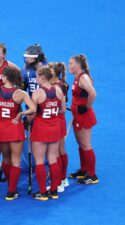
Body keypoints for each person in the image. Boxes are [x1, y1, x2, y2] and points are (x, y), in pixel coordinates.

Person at [0, 66, 36, 200]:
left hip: (2, 129)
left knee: (6, 159)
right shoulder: (21, 93)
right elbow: (33, 109)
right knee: (16, 161)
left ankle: (9, 183)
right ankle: (12, 191)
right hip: (15, 129)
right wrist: (21, 114)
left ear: (5, 77)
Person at [28, 65, 66, 201]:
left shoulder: (37, 93)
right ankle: (54, 190)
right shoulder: (59, 90)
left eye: (37, 76)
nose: (36, 78)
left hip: (40, 129)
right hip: (54, 127)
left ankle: (43, 192)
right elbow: (62, 110)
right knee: (53, 158)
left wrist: (28, 119)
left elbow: (32, 114)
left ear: (42, 77)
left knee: (39, 160)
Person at [68, 54, 98, 184]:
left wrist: (87, 107)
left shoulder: (83, 78)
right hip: (77, 115)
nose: (69, 66)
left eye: (71, 63)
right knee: (80, 143)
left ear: (78, 65)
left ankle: (92, 175)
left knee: (86, 144)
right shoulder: (77, 77)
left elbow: (93, 93)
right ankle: (84, 169)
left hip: (84, 116)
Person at [50, 62, 70, 192]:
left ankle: (58, 182)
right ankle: (62, 179)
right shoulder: (62, 84)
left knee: (57, 151)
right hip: (60, 119)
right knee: (60, 150)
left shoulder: (56, 87)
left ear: (53, 73)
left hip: (56, 120)